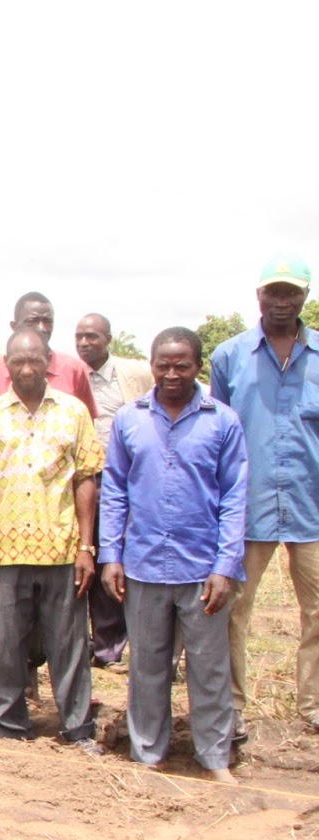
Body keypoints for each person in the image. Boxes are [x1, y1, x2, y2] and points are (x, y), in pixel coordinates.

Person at [101, 328, 247, 782]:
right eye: (162, 365)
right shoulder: (129, 419)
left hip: (202, 568)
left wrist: (225, 566)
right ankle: (148, 753)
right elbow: (114, 491)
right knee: (147, 665)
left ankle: (214, 757)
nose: (171, 374)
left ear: (198, 367)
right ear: (151, 365)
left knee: (209, 668)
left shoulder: (222, 421)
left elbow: (234, 497)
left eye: (181, 365)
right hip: (143, 564)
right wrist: (111, 555)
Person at [0, 328, 104, 748]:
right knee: (7, 646)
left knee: (69, 646)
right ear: (6, 366)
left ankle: (77, 729)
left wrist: (86, 547)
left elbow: (86, 480)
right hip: (7, 550)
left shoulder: (74, 412)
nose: (26, 368)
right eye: (18, 361)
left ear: (48, 363)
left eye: (34, 360)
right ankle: (9, 726)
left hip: (62, 548)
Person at [210, 255, 319, 732]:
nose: (282, 301)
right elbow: (215, 434)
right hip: (247, 506)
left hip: (311, 504)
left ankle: (312, 706)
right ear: (258, 296)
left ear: (305, 297)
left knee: (318, 613)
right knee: (233, 609)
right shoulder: (229, 356)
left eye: (291, 292)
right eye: (274, 292)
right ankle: (232, 706)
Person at [74, 314, 153, 671]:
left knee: (120, 557)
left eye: (92, 336)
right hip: (83, 480)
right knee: (89, 556)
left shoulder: (135, 374)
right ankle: (94, 645)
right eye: (79, 336)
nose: (84, 343)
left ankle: (121, 645)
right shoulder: (70, 375)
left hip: (125, 480)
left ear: (108, 338)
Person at [0, 292, 99, 419]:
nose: (42, 328)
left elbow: (85, 423)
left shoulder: (74, 369)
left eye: (48, 321)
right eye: (32, 321)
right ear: (14, 326)